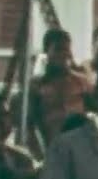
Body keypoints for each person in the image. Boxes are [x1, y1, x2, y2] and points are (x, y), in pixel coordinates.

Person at [29, 29, 94, 161]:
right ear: (46, 51)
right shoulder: (37, 85)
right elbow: (29, 125)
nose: (64, 54)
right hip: (51, 150)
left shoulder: (81, 82)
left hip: (79, 150)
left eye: (67, 49)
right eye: (58, 49)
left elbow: (95, 114)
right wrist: (40, 157)